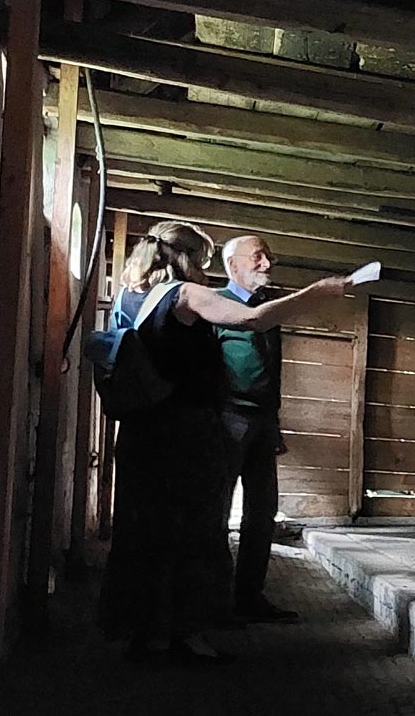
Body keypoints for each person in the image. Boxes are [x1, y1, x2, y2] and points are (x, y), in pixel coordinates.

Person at [98, 222, 352, 663]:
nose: (203, 269)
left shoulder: (128, 298)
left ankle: (144, 630)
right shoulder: (182, 295)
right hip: (181, 434)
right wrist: (318, 292)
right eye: (201, 260)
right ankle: (183, 634)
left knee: (143, 532)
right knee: (191, 532)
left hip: (141, 432)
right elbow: (253, 317)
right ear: (186, 258)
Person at [215, 234, 298, 621]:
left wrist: (274, 421)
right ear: (233, 265)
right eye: (258, 257)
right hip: (227, 420)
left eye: (269, 257)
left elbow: (272, 370)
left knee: (262, 512)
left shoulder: (268, 312)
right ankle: (214, 600)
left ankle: (249, 597)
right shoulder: (214, 307)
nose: (267, 264)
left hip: (262, 423)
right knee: (215, 512)